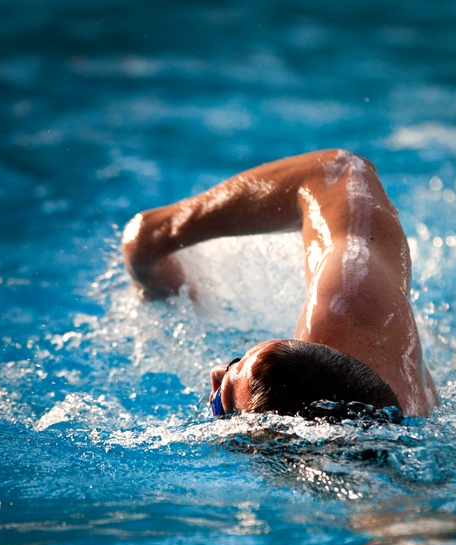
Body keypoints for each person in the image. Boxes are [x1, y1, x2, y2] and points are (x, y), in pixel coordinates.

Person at [121, 149, 439, 419]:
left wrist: (144, 242)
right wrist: (154, 236)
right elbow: (338, 172)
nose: (215, 373)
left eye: (220, 405)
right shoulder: (351, 307)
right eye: (233, 366)